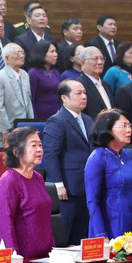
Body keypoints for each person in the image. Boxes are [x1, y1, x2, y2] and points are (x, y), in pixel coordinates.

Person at [43, 79, 93, 244]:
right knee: (63, 233)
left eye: (84, 92)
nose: (83, 96)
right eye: (78, 93)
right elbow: (50, 154)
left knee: (82, 235)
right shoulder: (57, 120)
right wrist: (57, 183)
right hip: (67, 187)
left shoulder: (88, 120)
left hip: (87, 186)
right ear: (64, 98)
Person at [0, 127, 54, 258]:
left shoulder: (38, 177)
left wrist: (52, 248)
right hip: (20, 255)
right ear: (16, 151)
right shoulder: (9, 180)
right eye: (33, 145)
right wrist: (13, 254)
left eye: (40, 145)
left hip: (43, 253)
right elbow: (6, 222)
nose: (39, 150)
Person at [85, 109, 132, 239]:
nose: (129, 130)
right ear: (108, 129)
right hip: (110, 224)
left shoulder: (128, 155)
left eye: (130, 126)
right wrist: (101, 235)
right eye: (124, 126)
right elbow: (92, 201)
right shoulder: (98, 158)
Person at [0, 43, 34, 147]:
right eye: (17, 53)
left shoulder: (25, 75)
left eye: (22, 53)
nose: (22, 56)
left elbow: (28, 102)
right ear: (7, 58)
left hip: (23, 130)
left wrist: (31, 125)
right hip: (5, 132)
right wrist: (5, 130)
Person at [27, 40, 61, 119]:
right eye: (52, 52)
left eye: (56, 52)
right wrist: (34, 119)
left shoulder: (55, 72)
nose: (55, 55)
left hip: (56, 113)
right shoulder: (33, 73)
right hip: (41, 115)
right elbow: (31, 99)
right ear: (42, 53)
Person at [79, 46, 114, 119]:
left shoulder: (106, 85)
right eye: (95, 59)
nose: (100, 62)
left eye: (102, 59)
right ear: (83, 63)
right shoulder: (79, 85)